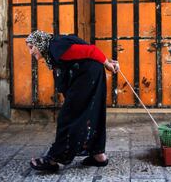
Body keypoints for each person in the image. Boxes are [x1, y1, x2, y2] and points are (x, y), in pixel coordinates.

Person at [26, 30, 119, 171]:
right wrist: (106, 61)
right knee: (93, 113)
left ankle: (54, 159)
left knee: (68, 117)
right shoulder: (53, 49)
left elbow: (91, 50)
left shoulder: (55, 47)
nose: (30, 52)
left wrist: (107, 63)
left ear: (40, 42)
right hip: (89, 75)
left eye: (31, 47)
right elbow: (82, 55)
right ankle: (98, 155)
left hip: (88, 76)